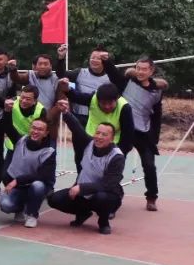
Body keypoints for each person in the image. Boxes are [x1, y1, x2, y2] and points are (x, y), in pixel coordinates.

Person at [49, 104, 125, 235]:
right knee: (53, 199)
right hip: (82, 193)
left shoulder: (117, 157)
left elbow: (107, 184)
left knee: (101, 198)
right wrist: (66, 112)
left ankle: (103, 221)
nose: (99, 137)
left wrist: (81, 187)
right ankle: (83, 213)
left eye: (104, 134)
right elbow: (77, 128)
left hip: (107, 194)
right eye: (97, 133)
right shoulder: (88, 143)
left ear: (112, 138)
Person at [118, 57, 166, 211]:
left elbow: (157, 115)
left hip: (144, 133)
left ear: (151, 71)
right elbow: (113, 74)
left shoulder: (156, 91)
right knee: (116, 164)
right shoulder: (127, 81)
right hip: (124, 131)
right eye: (138, 68)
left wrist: (155, 137)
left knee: (149, 166)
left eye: (144, 69)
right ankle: (114, 196)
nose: (140, 72)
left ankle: (151, 197)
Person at [0, 118, 55, 228]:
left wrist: (17, 180)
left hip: (35, 186)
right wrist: (7, 112)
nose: (35, 131)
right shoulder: (20, 140)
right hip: (19, 186)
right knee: (5, 205)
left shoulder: (49, 151)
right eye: (33, 128)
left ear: (46, 133)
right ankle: (20, 209)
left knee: (38, 185)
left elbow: (42, 176)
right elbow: (7, 125)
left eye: (40, 129)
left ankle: (32, 214)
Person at [56, 45, 124, 126]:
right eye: (93, 57)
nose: (94, 60)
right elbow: (61, 74)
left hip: (101, 117)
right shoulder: (80, 72)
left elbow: (120, 84)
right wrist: (61, 58)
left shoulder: (111, 77)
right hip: (80, 116)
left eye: (98, 58)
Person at [62, 83, 134, 153]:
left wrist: (120, 153)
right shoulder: (93, 99)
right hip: (90, 142)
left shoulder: (125, 108)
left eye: (110, 103)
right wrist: (67, 89)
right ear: (98, 100)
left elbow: (128, 136)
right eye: (103, 103)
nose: (107, 106)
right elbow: (77, 97)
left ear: (117, 99)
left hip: (114, 146)